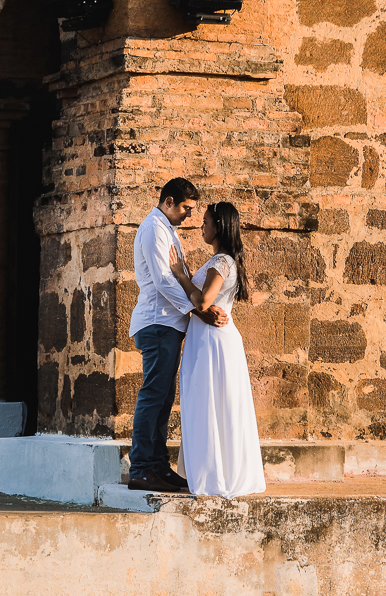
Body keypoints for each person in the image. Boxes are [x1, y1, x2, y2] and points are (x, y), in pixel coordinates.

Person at [127, 178, 229, 492]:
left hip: (168, 325)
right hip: (157, 323)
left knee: (163, 398)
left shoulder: (167, 229)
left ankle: (158, 466)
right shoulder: (154, 229)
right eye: (186, 207)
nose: (190, 215)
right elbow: (163, 281)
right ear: (169, 201)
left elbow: (177, 276)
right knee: (153, 395)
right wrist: (198, 310)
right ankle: (141, 468)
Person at [169, 201, 266, 498]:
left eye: (206, 222)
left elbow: (203, 301)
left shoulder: (222, 262)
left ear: (219, 226)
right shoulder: (218, 260)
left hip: (213, 342)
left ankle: (214, 475)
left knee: (211, 402)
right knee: (208, 402)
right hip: (207, 338)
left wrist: (180, 274)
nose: (202, 226)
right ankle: (209, 469)